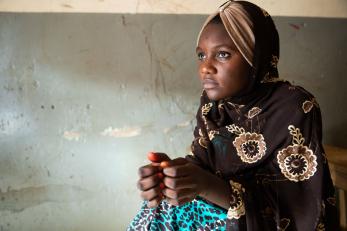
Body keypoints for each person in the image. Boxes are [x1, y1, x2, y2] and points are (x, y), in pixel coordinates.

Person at [127, 1, 339, 230]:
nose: (205, 67)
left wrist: (204, 183)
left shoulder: (294, 107)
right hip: (222, 215)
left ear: (255, 56)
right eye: (201, 55)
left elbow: (296, 210)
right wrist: (170, 177)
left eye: (223, 54)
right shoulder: (212, 106)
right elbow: (203, 167)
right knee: (162, 207)